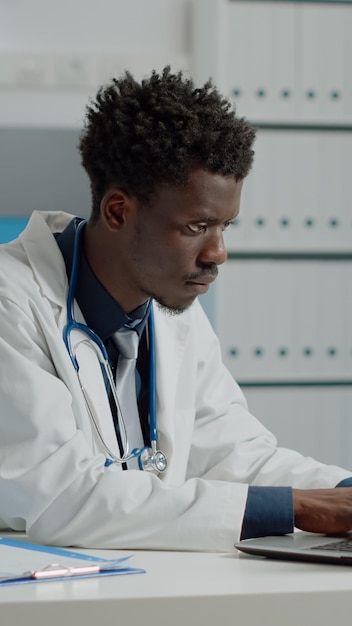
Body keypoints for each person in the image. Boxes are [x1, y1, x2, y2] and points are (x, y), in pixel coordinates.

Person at [0, 67, 352, 551]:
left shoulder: (173, 311)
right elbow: (61, 497)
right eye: (196, 227)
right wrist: (298, 508)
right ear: (119, 211)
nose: (217, 254)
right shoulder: (12, 303)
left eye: (226, 227)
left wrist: (340, 493)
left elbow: (232, 452)